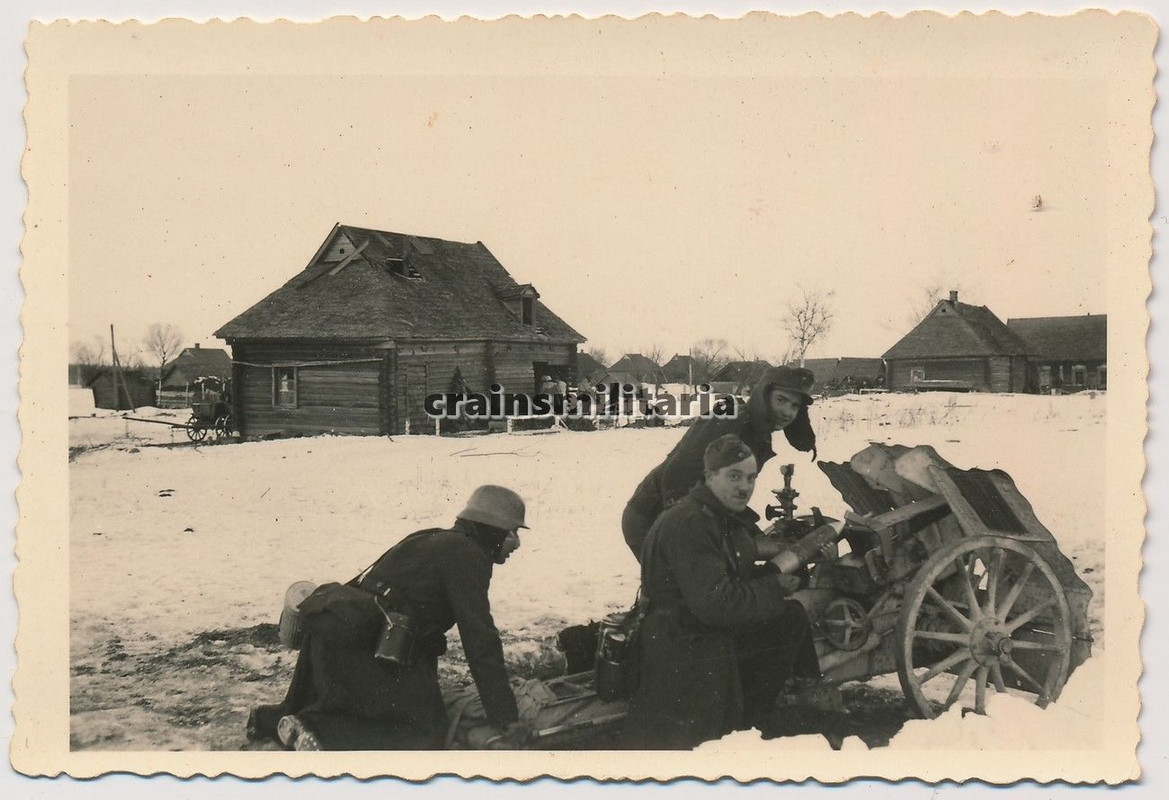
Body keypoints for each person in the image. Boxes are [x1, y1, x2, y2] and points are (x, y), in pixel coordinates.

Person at [248, 485, 532, 750]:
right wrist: (505, 718)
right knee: (421, 736)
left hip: (336, 633)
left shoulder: (432, 538)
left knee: (366, 708)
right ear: (491, 530)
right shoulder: (467, 555)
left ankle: (274, 721)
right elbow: (480, 639)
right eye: (512, 533)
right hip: (366, 649)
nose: (517, 543)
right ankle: (316, 731)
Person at [622, 434, 822, 750]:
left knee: (789, 619)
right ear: (709, 476)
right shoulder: (691, 523)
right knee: (705, 741)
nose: (745, 486)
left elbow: (722, 579)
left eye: (751, 478)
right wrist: (772, 588)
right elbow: (717, 604)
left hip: (693, 628)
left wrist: (767, 576)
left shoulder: (717, 517)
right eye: (734, 476)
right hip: (680, 645)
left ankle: (756, 719)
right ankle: (743, 729)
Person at [622, 365, 818, 561]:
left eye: (795, 406)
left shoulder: (759, 433)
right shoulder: (731, 421)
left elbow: (724, 492)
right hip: (652, 516)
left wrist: (749, 530)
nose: (787, 412)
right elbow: (678, 478)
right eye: (781, 400)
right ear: (763, 396)